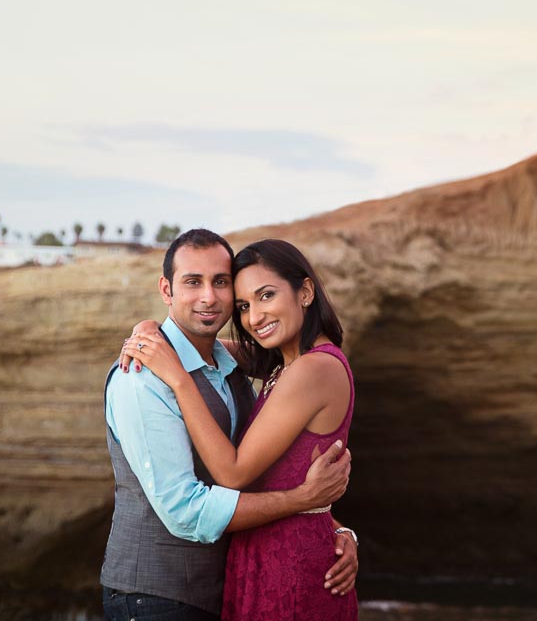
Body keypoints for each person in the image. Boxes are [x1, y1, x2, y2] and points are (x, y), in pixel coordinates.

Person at [102, 229, 357, 621]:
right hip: (157, 598)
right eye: (193, 282)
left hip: (252, 579)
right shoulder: (142, 375)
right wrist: (307, 502)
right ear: (166, 290)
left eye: (221, 283)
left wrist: (335, 528)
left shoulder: (248, 365)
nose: (210, 298)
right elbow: (185, 510)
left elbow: (259, 476)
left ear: (305, 292)